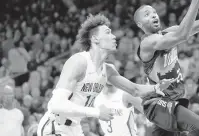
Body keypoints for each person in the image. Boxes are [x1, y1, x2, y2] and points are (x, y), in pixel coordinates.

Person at [37, 14, 175, 136]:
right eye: (108, 32)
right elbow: (55, 104)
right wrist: (96, 113)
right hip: (55, 126)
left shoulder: (107, 70)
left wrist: (156, 88)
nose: (114, 36)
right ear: (95, 39)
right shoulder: (78, 62)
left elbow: (134, 89)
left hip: (75, 128)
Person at [134, 0, 199, 136]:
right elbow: (182, 36)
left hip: (174, 100)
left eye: (154, 12)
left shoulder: (168, 33)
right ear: (140, 24)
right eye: (147, 14)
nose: (154, 15)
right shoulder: (147, 43)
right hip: (157, 103)